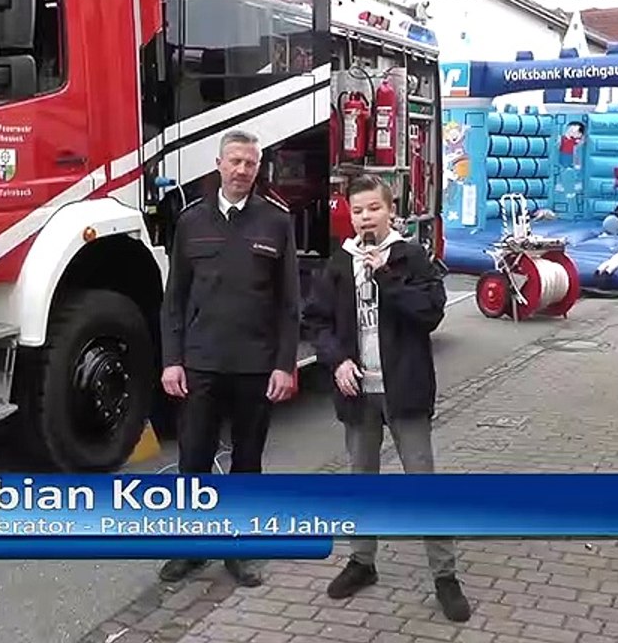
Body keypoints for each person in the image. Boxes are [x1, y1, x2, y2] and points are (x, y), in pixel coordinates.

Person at [300, 175, 472, 623]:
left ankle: (445, 576)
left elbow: (430, 313)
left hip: (405, 391)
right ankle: (362, 561)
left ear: (389, 210)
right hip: (359, 394)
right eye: (357, 211)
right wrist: (336, 361)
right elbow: (317, 322)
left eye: (373, 209)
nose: (365, 219)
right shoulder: (340, 262)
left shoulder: (410, 257)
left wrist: (385, 274)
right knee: (362, 480)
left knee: (423, 483)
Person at [158, 129, 301, 588]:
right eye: (235, 161)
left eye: (251, 164)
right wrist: (172, 359)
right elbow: (175, 298)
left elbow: (288, 303)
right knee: (193, 460)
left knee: (247, 462)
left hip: (255, 367)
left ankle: (239, 551)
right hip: (200, 364)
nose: (242, 170)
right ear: (218, 164)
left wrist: (285, 363)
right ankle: (190, 549)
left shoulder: (276, 222)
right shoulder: (191, 221)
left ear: (259, 169)